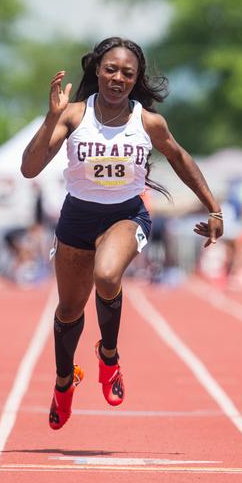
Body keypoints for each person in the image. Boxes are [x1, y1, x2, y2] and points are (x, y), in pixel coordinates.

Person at [21, 36, 223, 430]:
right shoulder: (73, 116)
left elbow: (180, 158)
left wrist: (213, 207)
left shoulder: (147, 121)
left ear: (136, 80)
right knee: (68, 311)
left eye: (127, 74)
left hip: (126, 215)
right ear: (97, 70)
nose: (117, 78)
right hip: (77, 218)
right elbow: (29, 169)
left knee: (108, 275)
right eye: (110, 69)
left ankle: (109, 356)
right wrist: (51, 118)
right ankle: (65, 383)